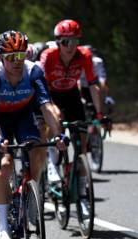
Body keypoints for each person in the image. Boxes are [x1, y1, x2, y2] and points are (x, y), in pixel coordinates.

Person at [0, 31, 67, 239]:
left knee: (38, 147)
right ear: (1, 57)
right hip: (0, 119)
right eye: (11, 57)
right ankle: (3, 226)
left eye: (20, 56)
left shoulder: (34, 71)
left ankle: (32, 194)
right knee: (5, 163)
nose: (17, 62)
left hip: (22, 116)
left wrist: (58, 134)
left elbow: (46, 106)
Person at [40, 19, 105, 183]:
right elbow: (41, 87)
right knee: (54, 120)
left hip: (71, 95)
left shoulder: (85, 55)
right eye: (65, 41)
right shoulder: (48, 55)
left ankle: (82, 188)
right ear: (58, 42)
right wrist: (51, 108)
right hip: (51, 94)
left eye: (74, 41)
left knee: (82, 144)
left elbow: (93, 85)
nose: (70, 46)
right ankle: (52, 163)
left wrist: (99, 113)